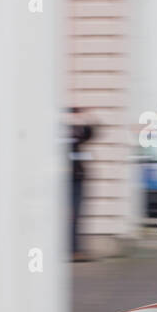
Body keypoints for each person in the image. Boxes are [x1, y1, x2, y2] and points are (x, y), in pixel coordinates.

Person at [68, 107, 95, 259]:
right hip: (61, 181)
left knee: (75, 217)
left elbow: (91, 133)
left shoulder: (76, 133)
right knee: (69, 217)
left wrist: (84, 119)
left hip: (76, 179)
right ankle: (71, 249)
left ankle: (74, 249)